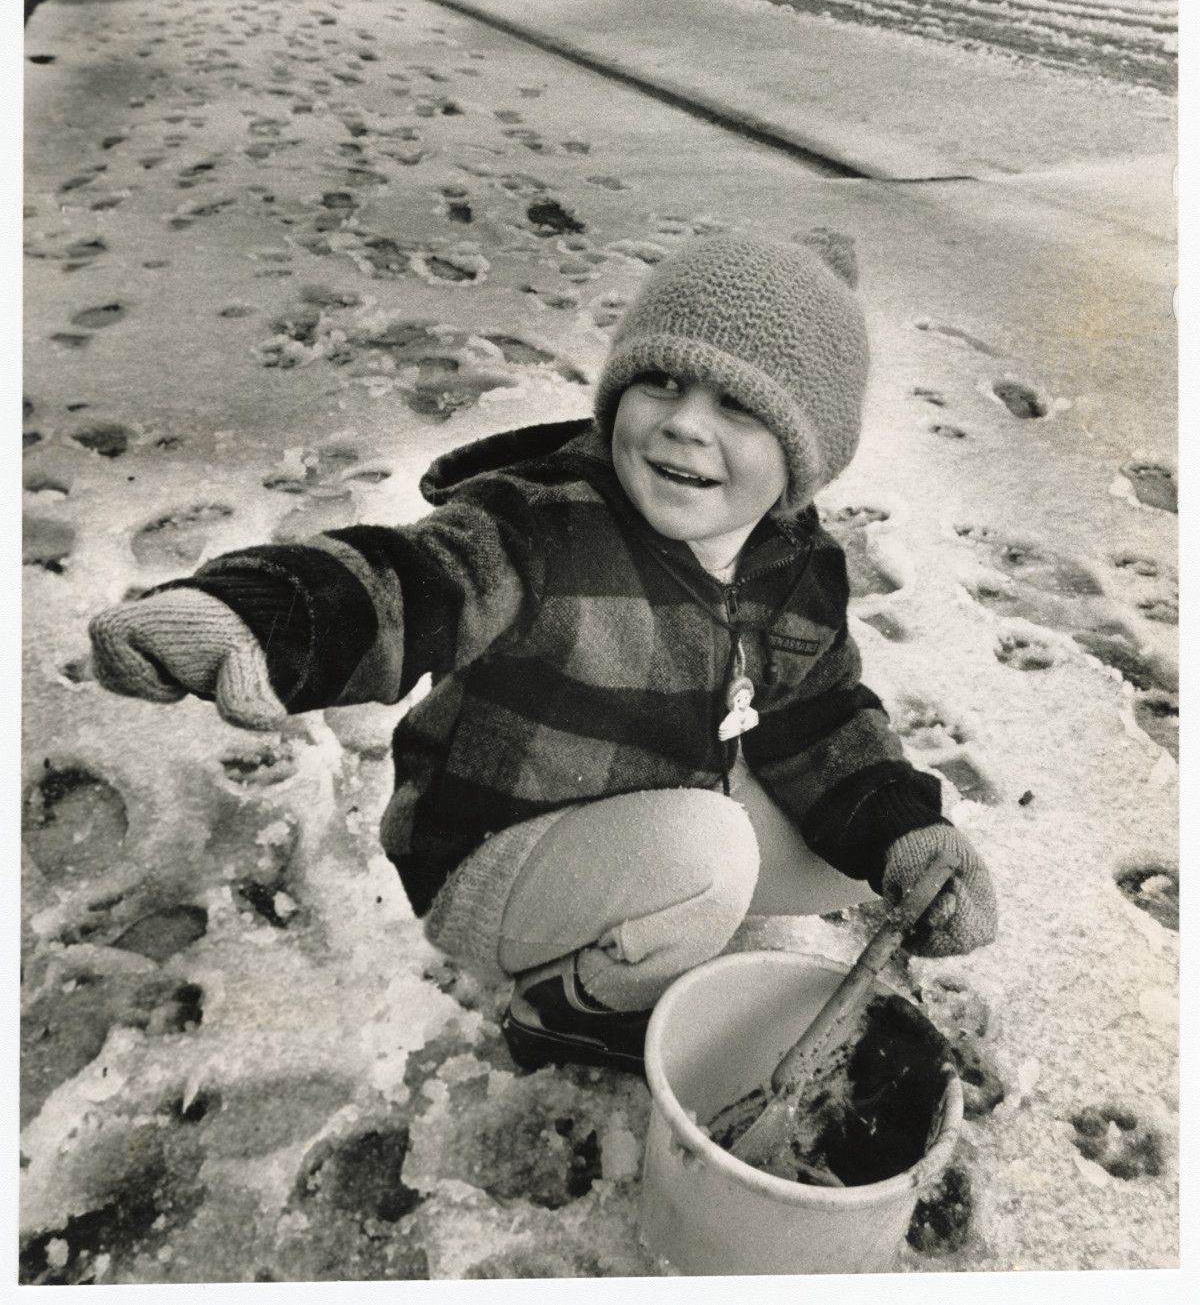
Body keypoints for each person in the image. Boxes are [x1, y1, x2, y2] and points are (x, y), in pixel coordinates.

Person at [89, 232, 998, 1077]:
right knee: (711, 853)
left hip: (652, 811)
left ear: (805, 458)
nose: (684, 424)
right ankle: (570, 1010)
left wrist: (906, 833)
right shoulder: (542, 525)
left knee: (862, 849)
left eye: (738, 405)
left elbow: (823, 713)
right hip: (495, 858)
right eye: (663, 384)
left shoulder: (794, 560)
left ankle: (666, 907)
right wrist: (261, 616)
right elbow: (412, 584)